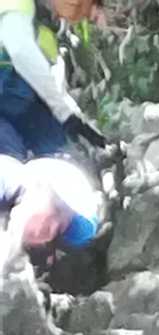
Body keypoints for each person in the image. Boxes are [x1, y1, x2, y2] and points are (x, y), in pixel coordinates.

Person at [0, 0, 107, 161]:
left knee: (61, 155)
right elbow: (21, 52)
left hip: (21, 104)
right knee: (10, 161)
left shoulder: (47, 30)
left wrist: (77, 121)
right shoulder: (17, 5)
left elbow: (52, 86)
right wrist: (64, 113)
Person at [0, 150, 100, 255]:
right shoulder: (6, 177)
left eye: (58, 233)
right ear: (39, 185)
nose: (51, 229)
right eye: (58, 210)